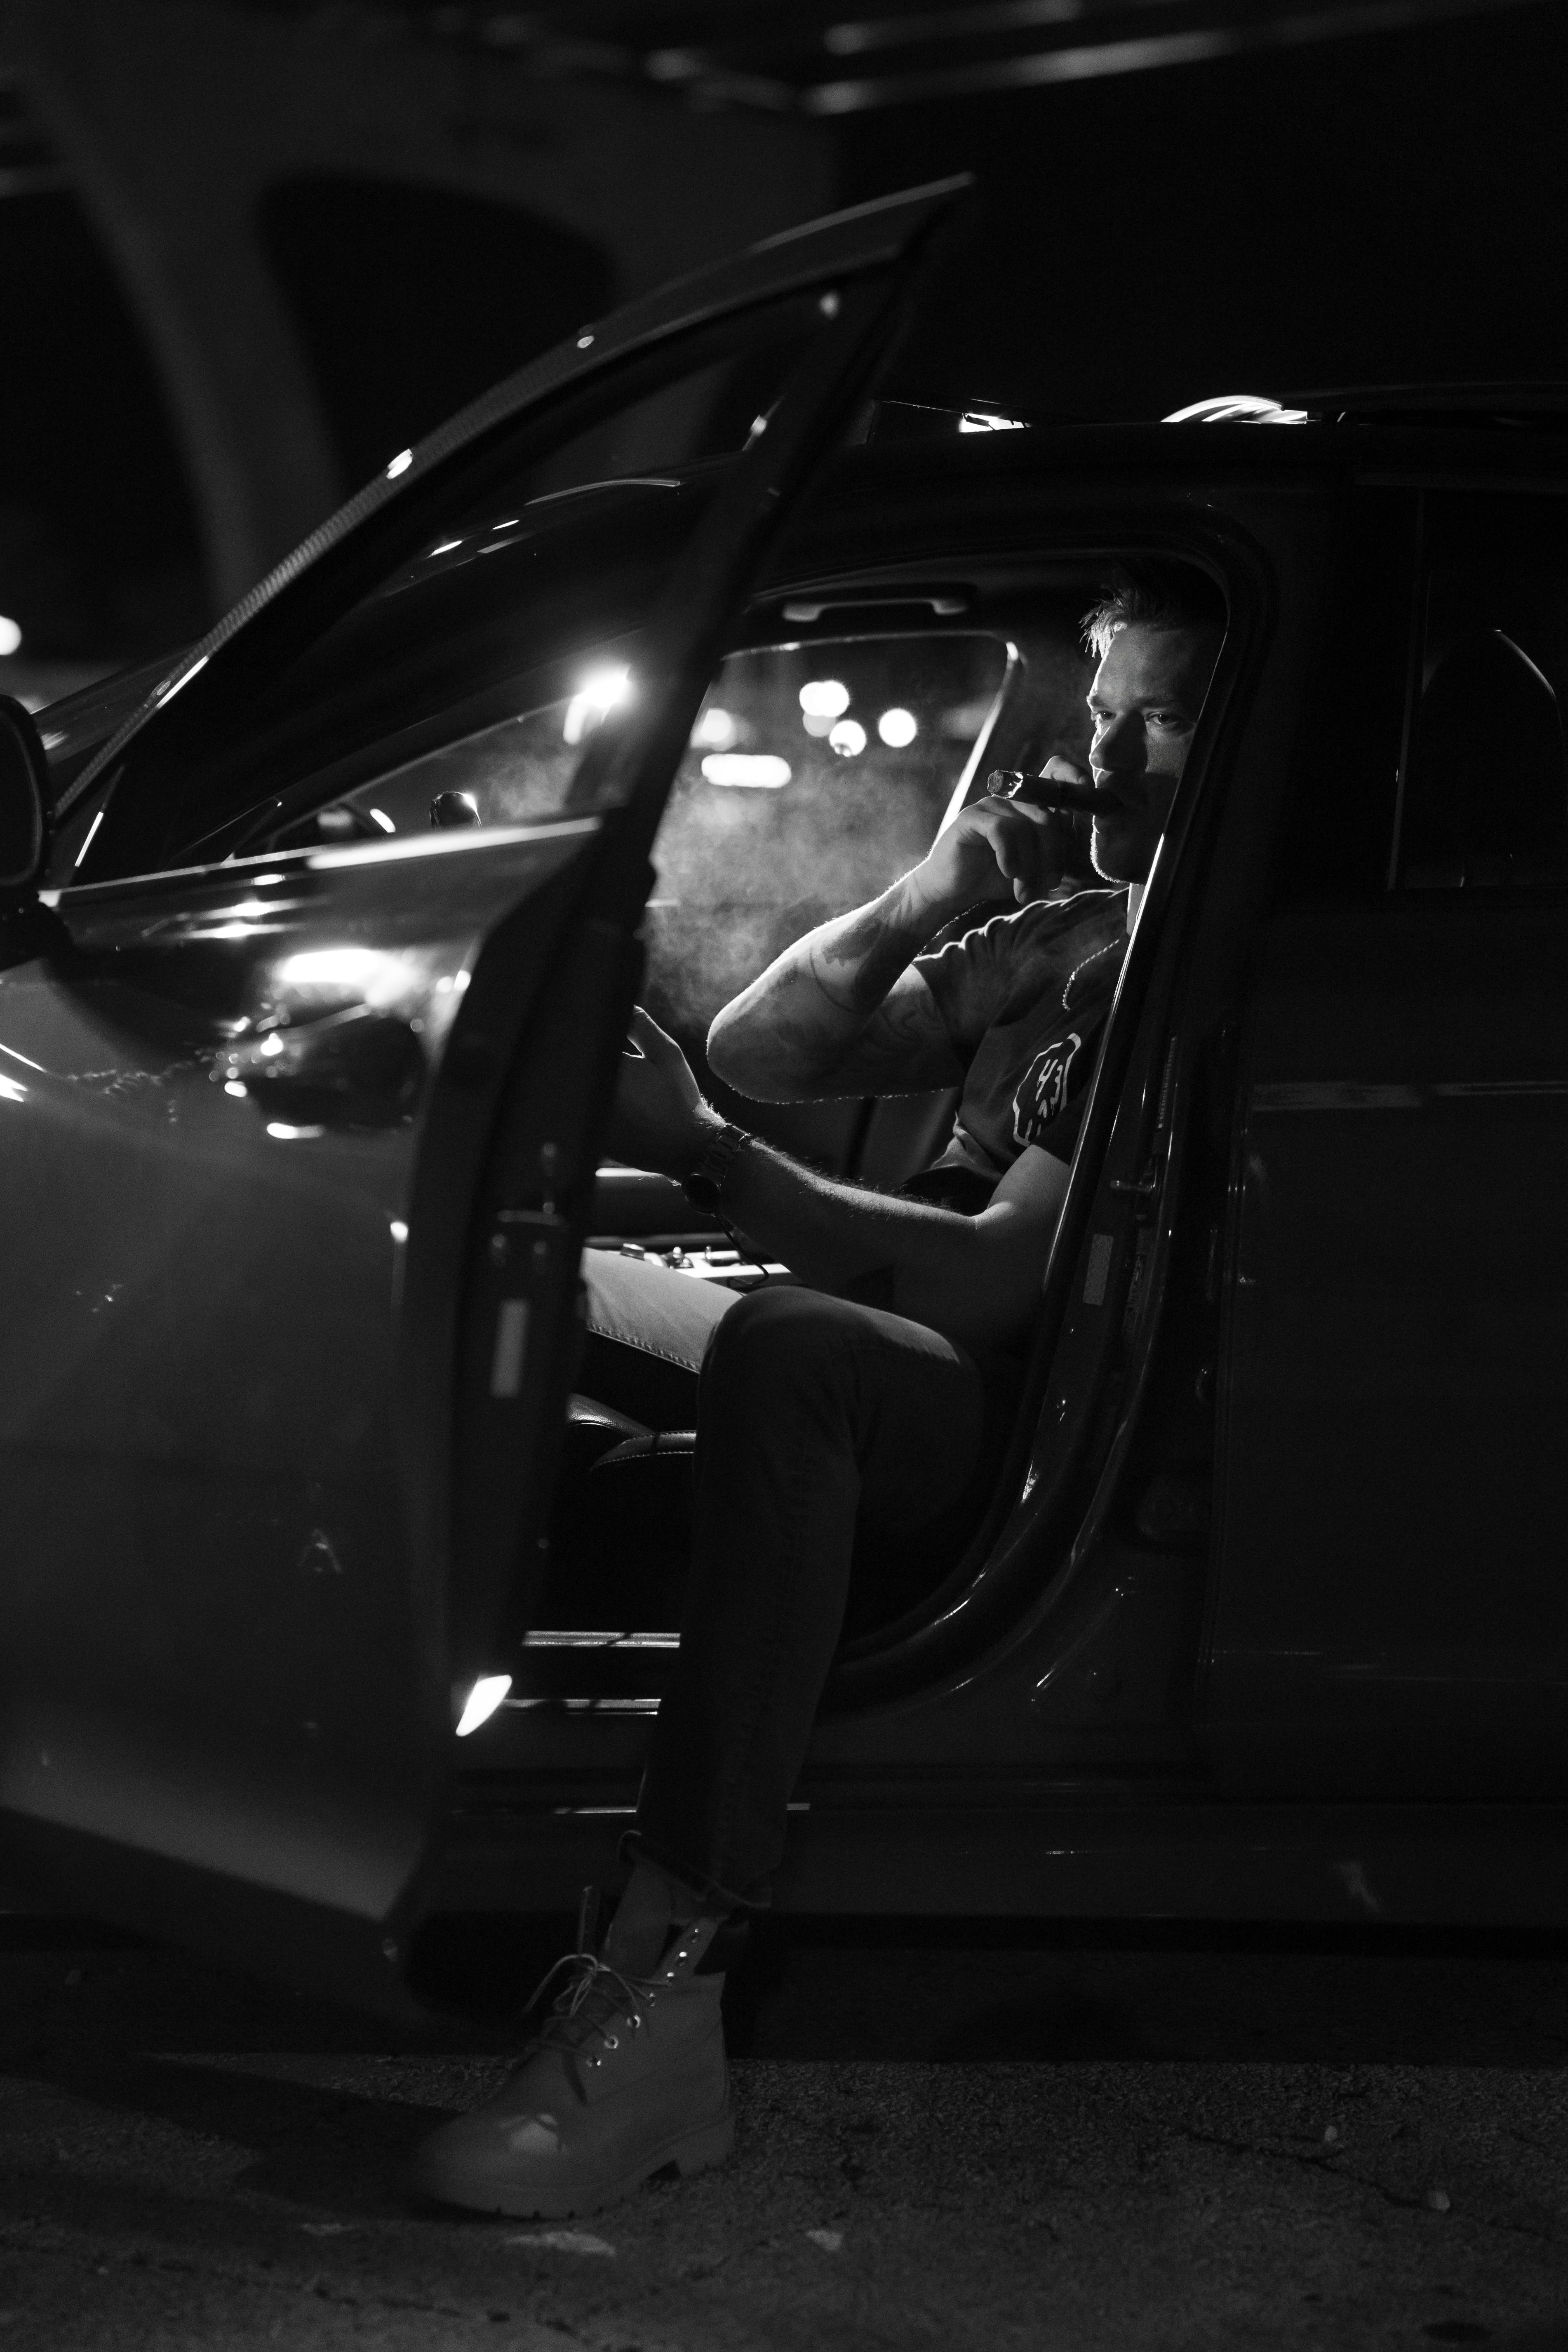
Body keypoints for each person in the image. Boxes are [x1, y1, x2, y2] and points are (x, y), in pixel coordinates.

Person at [413, 562, 1224, 2218]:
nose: (1106, 755)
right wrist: (927, 899)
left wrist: (708, 1163)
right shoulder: (1076, 935)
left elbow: (996, 1279)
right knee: (513, 1272)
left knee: (787, 1344)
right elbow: (769, 1051)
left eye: (1161, 714)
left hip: (976, 1400)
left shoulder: (1176, 967)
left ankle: (670, 1993)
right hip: (877, 1325)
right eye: (1100, 708)